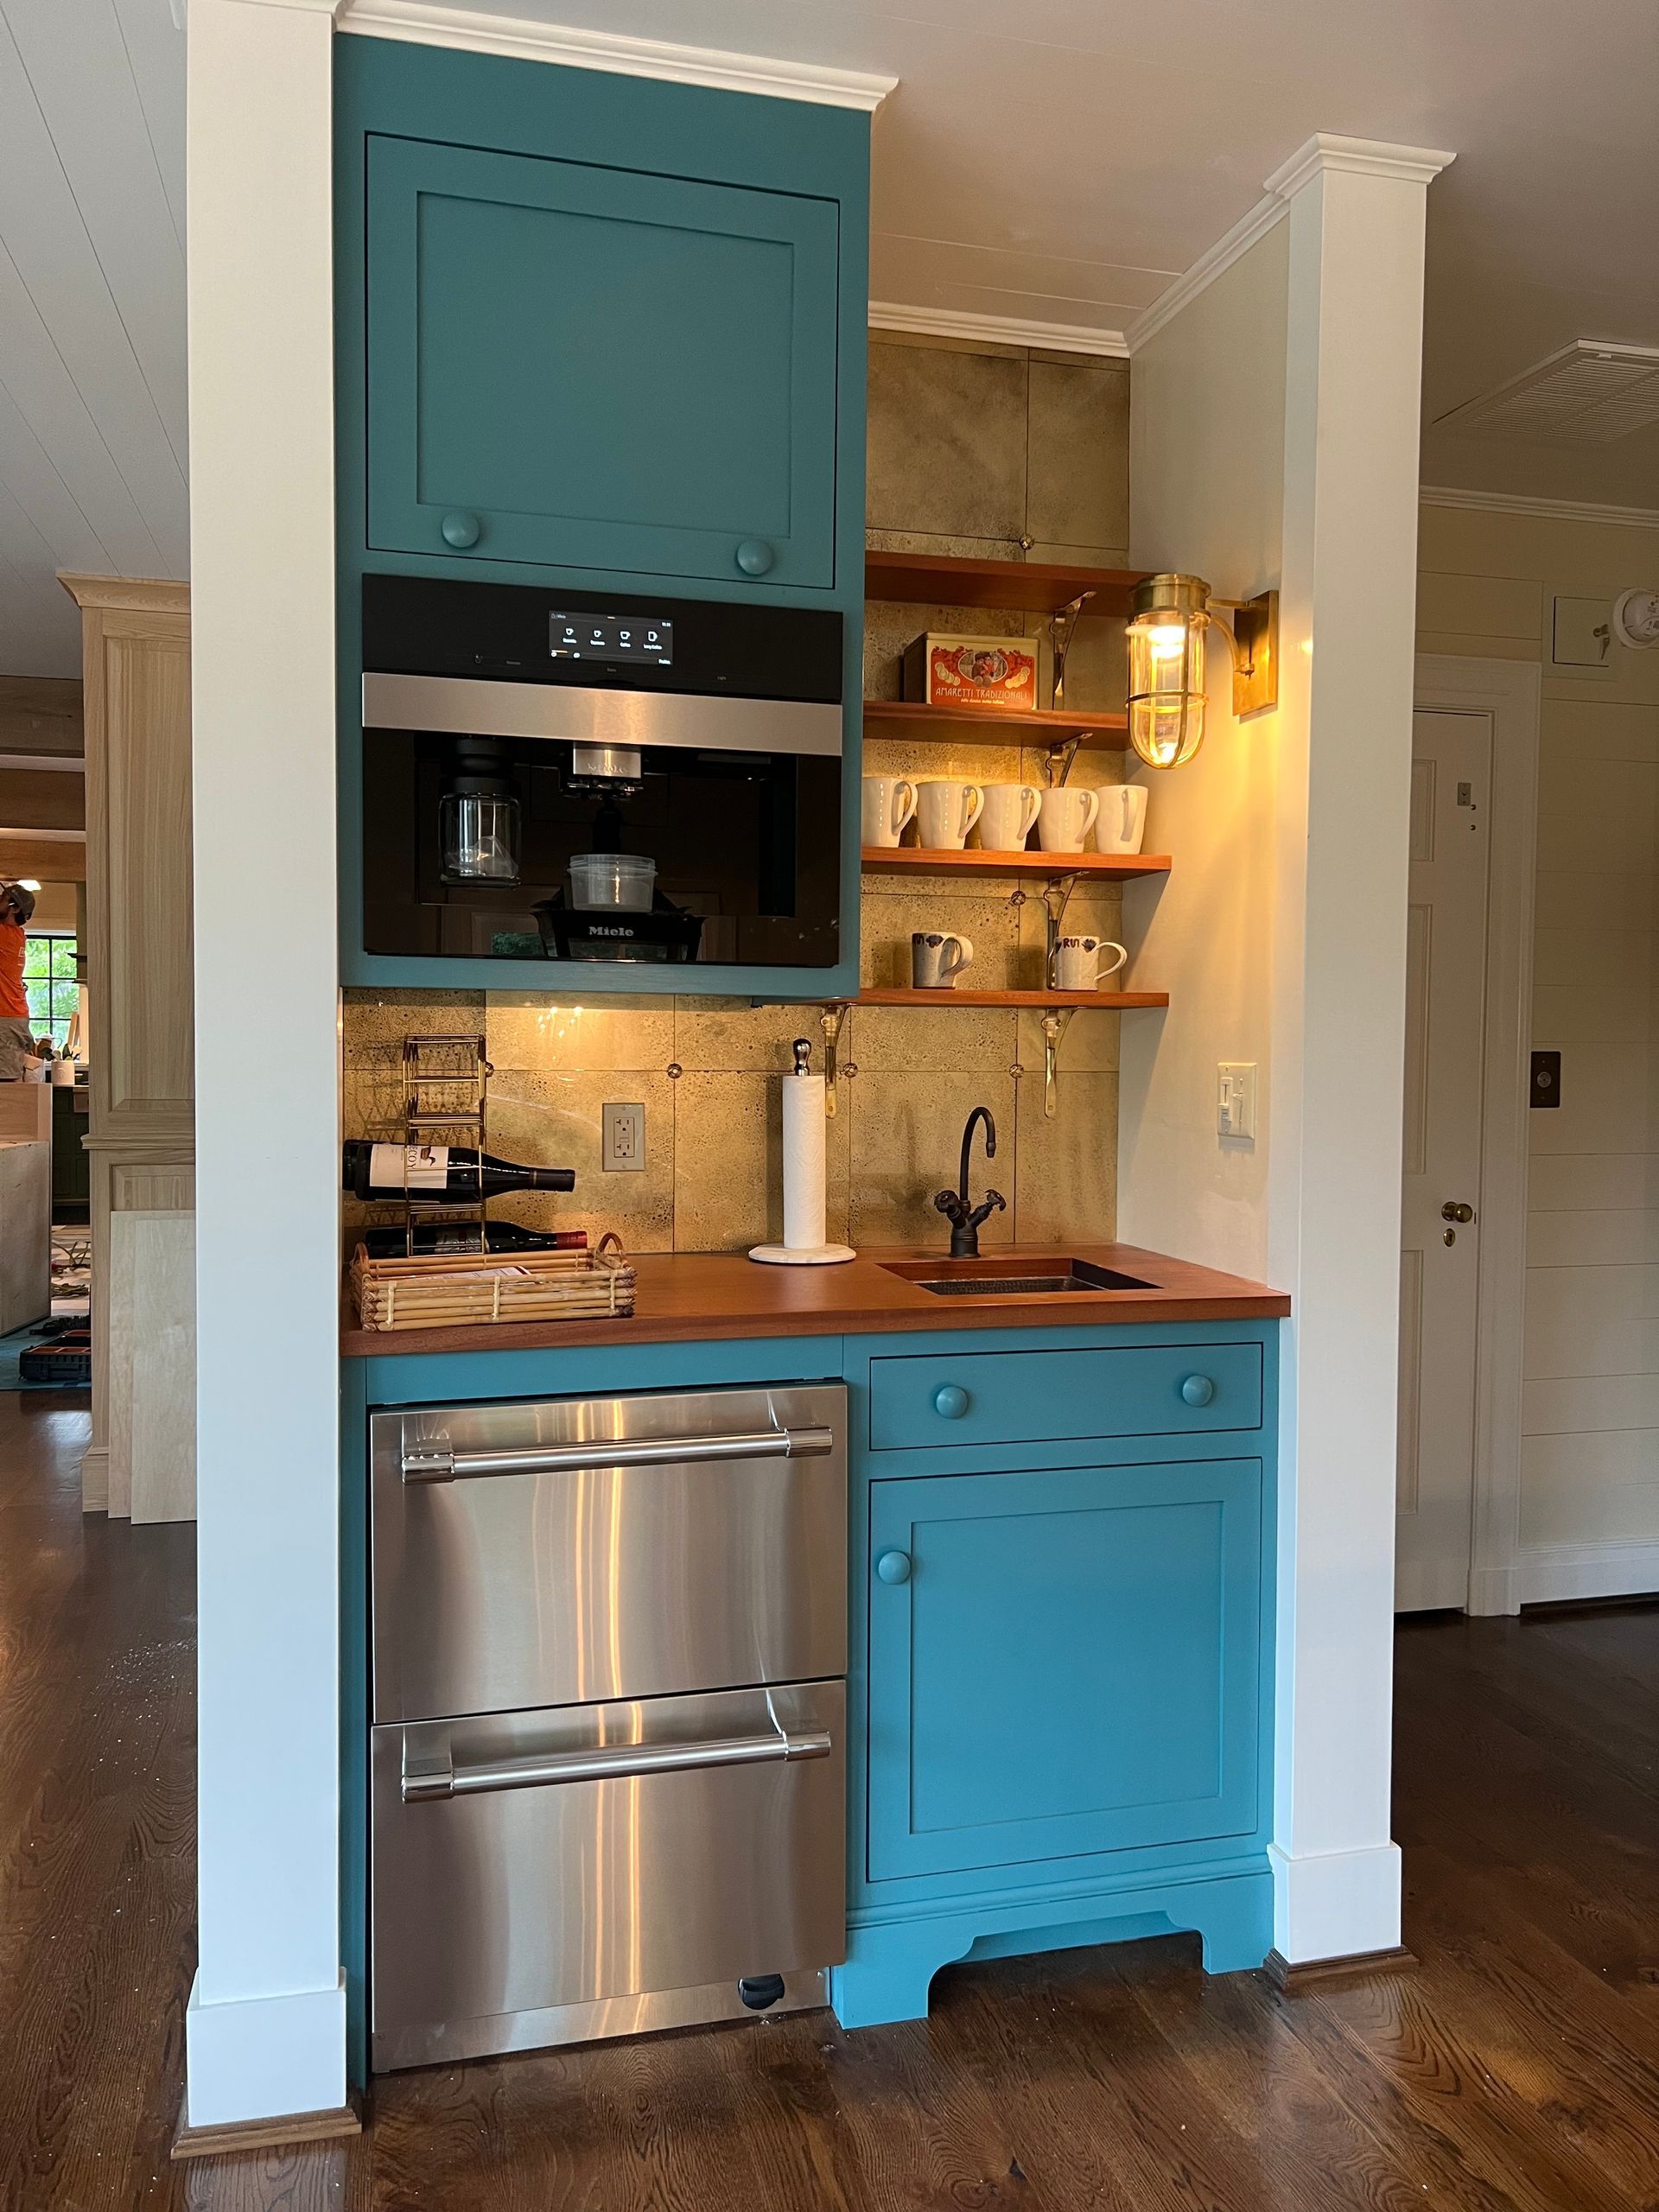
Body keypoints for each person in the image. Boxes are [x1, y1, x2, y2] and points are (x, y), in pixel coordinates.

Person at [0, 880, 36, 1081]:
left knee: (5, 1087)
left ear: (14, 909)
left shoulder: (5, 935)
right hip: (10, 1016)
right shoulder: (16, 935)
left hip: (5, 1018)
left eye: (3, 899)